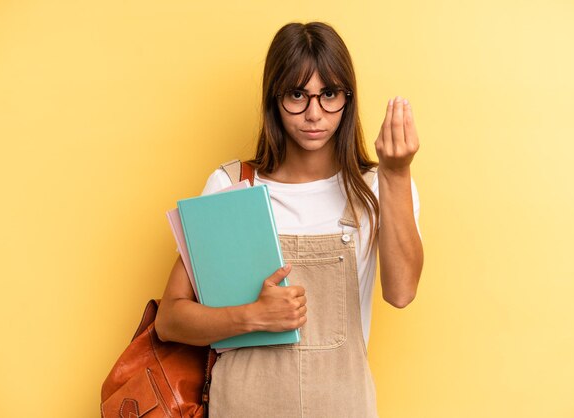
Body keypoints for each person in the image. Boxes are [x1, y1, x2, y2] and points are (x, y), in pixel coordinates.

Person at [156, 21, 423, 418]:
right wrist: (252, 316)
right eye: (297, 95)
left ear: (347, 99)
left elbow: (401, 293)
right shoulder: (233, 185)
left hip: (342, 405)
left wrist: (397, 174)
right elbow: (170, 320)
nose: (314, 114)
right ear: (274, 98)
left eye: (328, 94)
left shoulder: (376, 186)